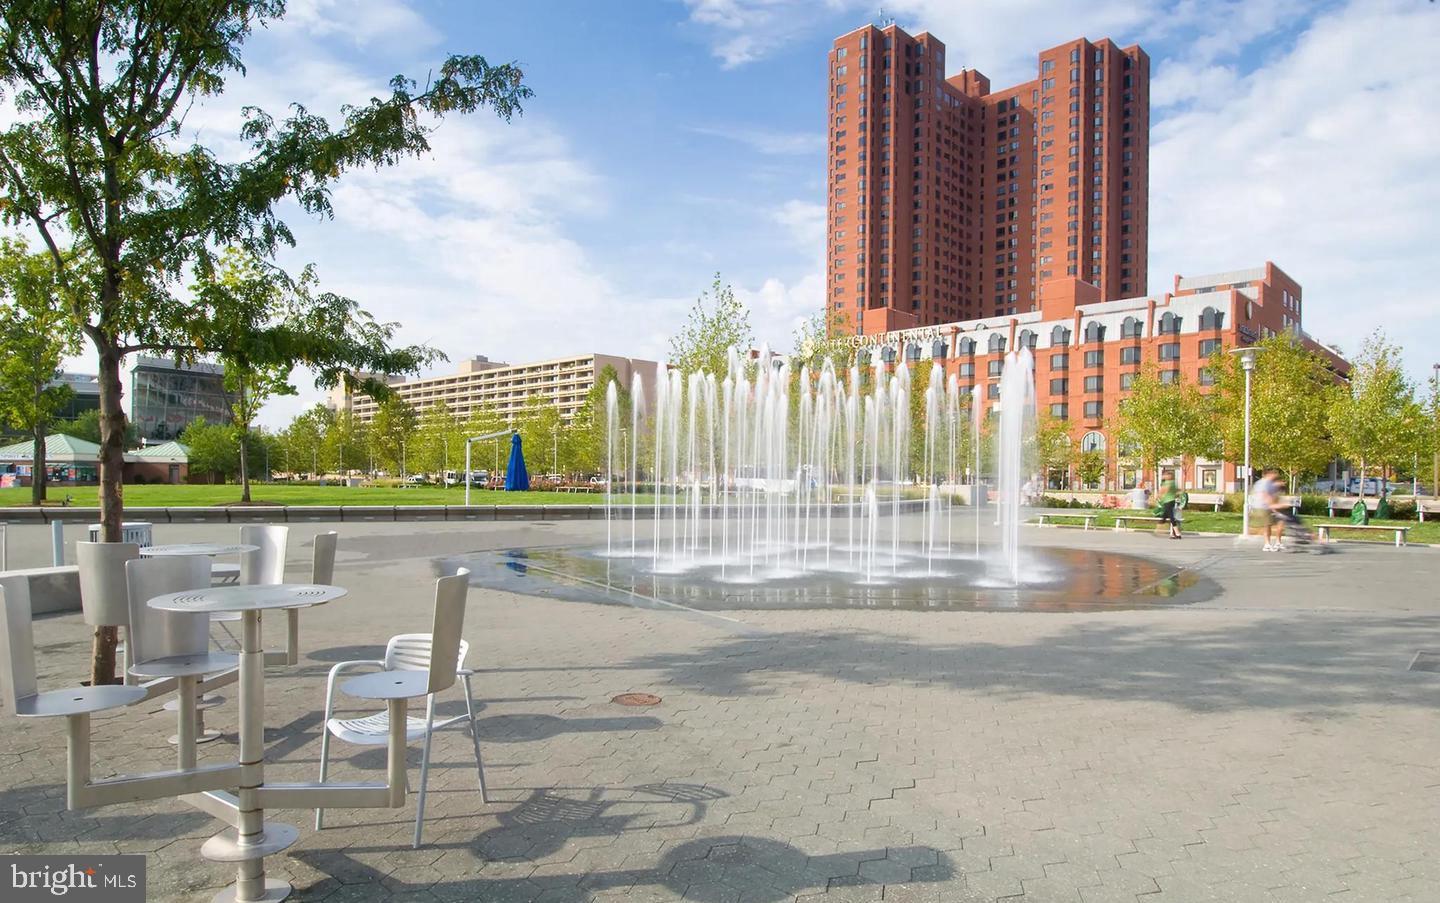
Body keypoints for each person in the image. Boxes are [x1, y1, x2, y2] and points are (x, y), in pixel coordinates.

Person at [1250, 467, 1281, 551]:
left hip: (1267, 506)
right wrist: (1273, 506)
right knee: (1267, 525)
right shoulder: (1263, 483)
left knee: (1277, 522)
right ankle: (1267, 544)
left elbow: (1274, 495)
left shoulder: (1270, 483)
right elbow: (1265, 495)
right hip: (1262, 507)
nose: (1276, 476)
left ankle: (1277, 542)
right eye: (1274, 474)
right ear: (1269, 474)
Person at [1157, 473, 1183, 539]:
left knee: (1170, 517)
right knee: (1165, 516)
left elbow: (1164, 490)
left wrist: (1159, 495)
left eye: (1165, 475)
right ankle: (1173, 533)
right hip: (1171, 501)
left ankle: (1177, 533)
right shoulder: (1173, 482)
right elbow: (1177, 490)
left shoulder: (1168, 483)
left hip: (1168, 501)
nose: (1163, 476)